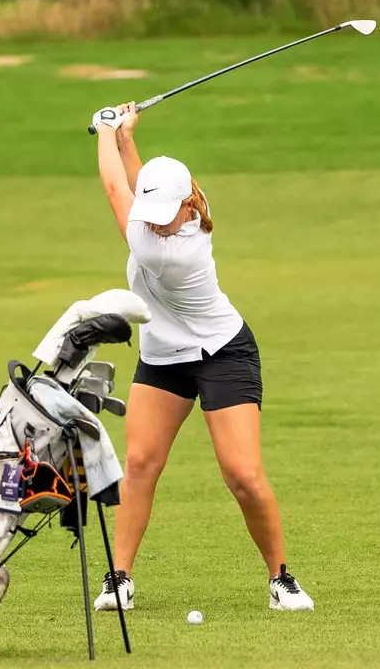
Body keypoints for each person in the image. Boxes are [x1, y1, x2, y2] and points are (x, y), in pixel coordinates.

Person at [89, 102, 313, 612]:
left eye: (165, 218)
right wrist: (127, 138)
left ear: (189, 210)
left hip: (221, 351)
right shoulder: (180, 200)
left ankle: (281, 578)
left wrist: (104, 130)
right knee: (141, 463)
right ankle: (118, 578)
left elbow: (113, 188)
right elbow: (139, 182)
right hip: (164, 353)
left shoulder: (166, 250)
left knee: (242, 474)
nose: (157, 224)